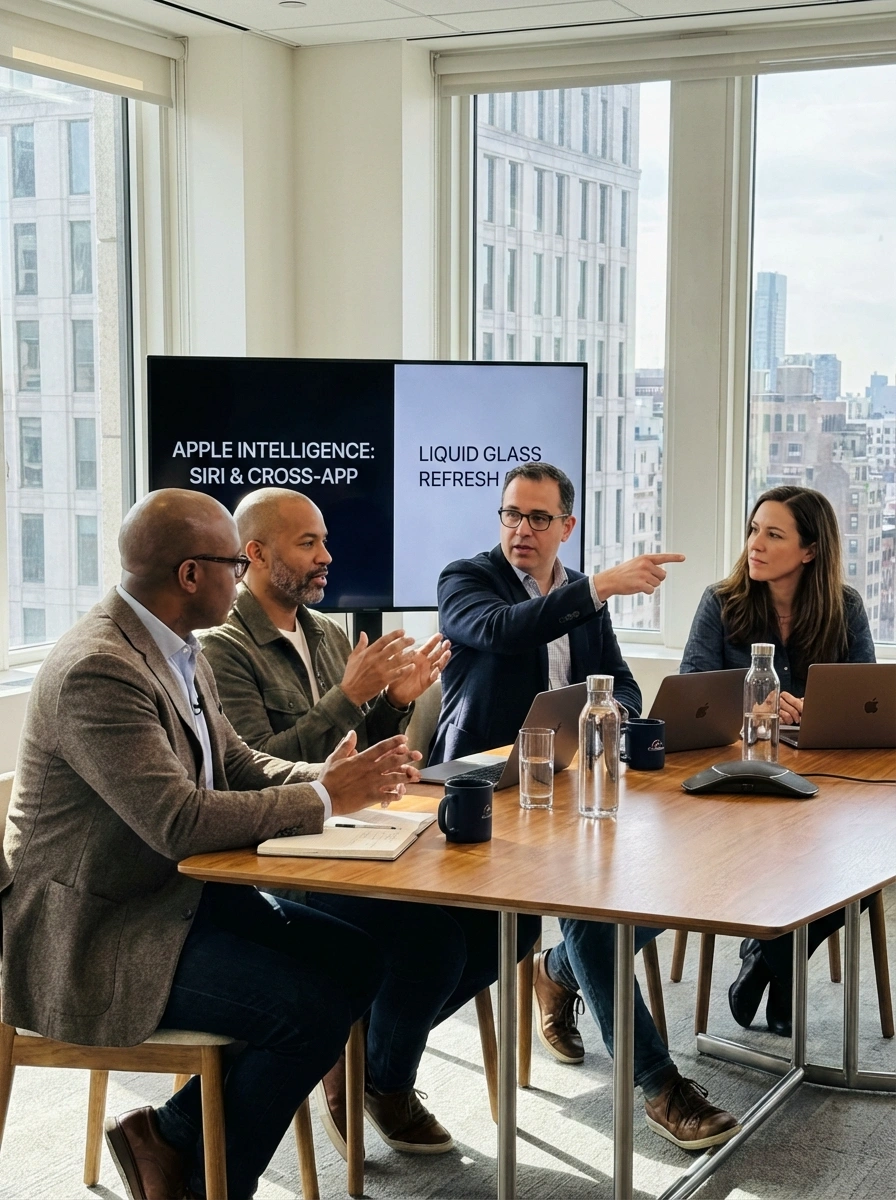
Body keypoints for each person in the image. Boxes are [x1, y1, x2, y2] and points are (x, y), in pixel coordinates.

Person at [0, 488, 424, 1200]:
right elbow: (179, 820)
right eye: (234, 562)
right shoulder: (98, 669)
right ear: (191, 575)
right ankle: (209, 1184)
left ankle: (169, 1137)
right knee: (307, 1012)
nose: (244, 577)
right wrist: (326, 799)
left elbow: (235, 765)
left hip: (175, 900)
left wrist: (335, 776)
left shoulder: (179, 647)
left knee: (357, 959)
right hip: (98, 934)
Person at [200, 486, 540, 1159]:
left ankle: (371, 1065)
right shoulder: (222, 648)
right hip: (276, 859)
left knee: (510, 924)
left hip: (352, 839)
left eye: (326, 540)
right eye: (309, 543)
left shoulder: (326, 631)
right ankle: (369, 1070)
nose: (328, 555)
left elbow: (351, 752)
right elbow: (259, 769)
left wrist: (390, 706)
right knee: (428, 942)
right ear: (257, 554)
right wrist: (348, 697)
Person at [432, 462, 740, 1151]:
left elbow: (621, 682)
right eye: (512, 514)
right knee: (588, 910)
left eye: (539, 518)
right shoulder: (465, 579)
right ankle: (659, 1084)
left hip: (574, 783)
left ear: (565, 526)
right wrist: (597, 588)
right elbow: (505, 630)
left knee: (671, 883)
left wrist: (618, 713)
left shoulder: (577, 592)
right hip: (486, 790)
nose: (521, 529)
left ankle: (557, 971)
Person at [680, 484, 876, 1036]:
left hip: (823, 790)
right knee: (794, 857)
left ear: (809, 550)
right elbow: (694, 703)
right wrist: (751, 712)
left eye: (772, 534)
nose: (754, 545)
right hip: (737, 788)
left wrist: (815, 712)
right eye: (752, 530)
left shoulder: (846, 608)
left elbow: (867, 706)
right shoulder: (721, 603)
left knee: (866, 864)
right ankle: (780, 965)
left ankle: (767, 957)